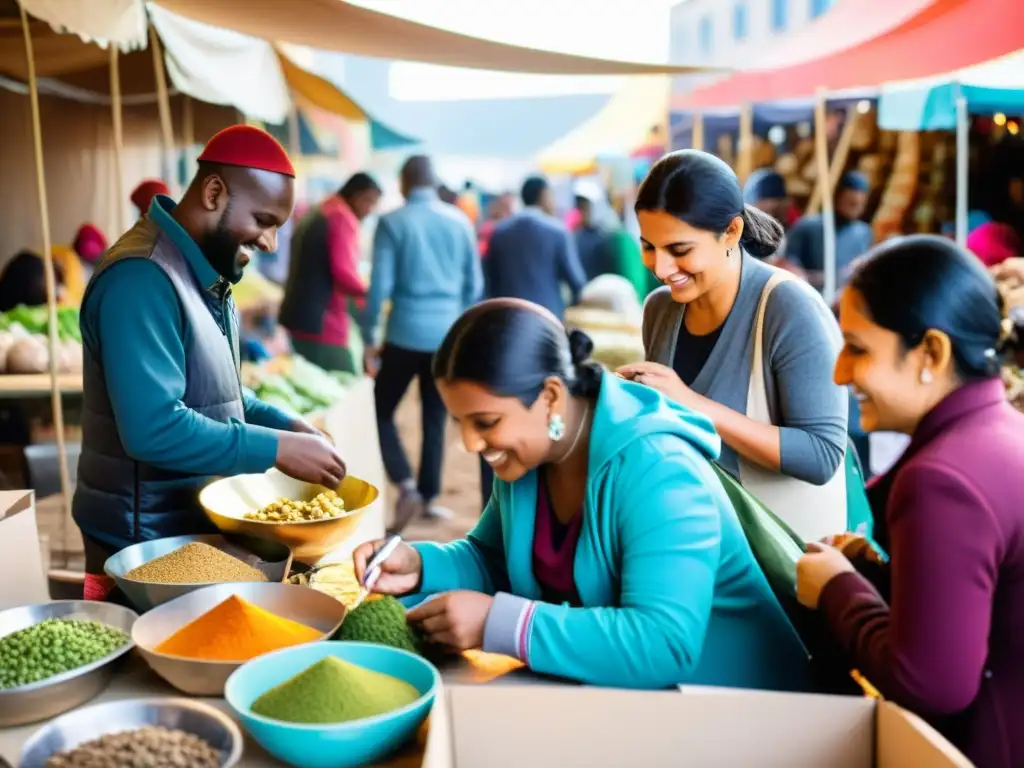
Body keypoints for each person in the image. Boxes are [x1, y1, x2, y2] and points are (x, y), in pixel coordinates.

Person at [354, 299, 810, 692]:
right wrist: (420, 564)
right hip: (624, 701)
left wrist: (500, 622)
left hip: (735, 710)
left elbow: (663, 642)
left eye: (486, 422)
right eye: (461, 423)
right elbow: (492, 558)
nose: (471, 444)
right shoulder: (528, 459)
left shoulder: (658, 469)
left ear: (551, 396)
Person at [74, 126, 346, 602]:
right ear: (214, 192)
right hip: (139, 548)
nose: (270, 244)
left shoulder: (206, 277)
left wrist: (286, 424)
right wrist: (276, 449)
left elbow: (215, 396)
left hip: (183, 530)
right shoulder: (142, 278)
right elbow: (154, 427)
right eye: (263, 220)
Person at [797, 236, 1024, 768]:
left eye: (858, 348)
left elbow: (931, 683)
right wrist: (880, 578)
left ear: (932, 353)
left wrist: (837, 589)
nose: (839, 373)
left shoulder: (944, 480)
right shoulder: (1002, 432)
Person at [619, 150, 848, 542]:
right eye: (648, 247)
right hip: (694, 548)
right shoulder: (660, 310)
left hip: (781, 568)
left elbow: (821, 455)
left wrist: (691, 402)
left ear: (732, 232)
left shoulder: (788, 307)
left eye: (679, 250)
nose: (660, 268)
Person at [360, 155, 483, 534]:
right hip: (446, 336)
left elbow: (380, 285)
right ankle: (428, 498)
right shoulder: (460, 220)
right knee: (434, 417)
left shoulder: (392, 222)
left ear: (403, 182)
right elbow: (473, 285)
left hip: (403, 333)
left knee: (378, 411)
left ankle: (406, 483)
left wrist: (368, 337)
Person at [279, 172, 382, 373]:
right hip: (323, 323)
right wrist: (373, 291)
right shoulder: (341, 216)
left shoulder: (321, 209)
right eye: (369, 202)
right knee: (343, 382)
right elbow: (344, 274)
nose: (369, 210)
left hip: (298, 317)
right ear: (357, 196)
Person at [484, 175, 587, 318]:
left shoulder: (499, 231)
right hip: (548, 318)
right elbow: (577, 282)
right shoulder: (557, 231)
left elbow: (489, 280)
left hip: (507, 317)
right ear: (543, 195)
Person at [784, 171, 874, 293]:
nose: (856, 208)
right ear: (839, 197)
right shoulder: (807, 226)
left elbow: (859, 269)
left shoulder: (863, 233)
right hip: (811, 295)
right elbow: (788, 264)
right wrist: (808, 279)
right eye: (851, 203)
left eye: (860, 204)